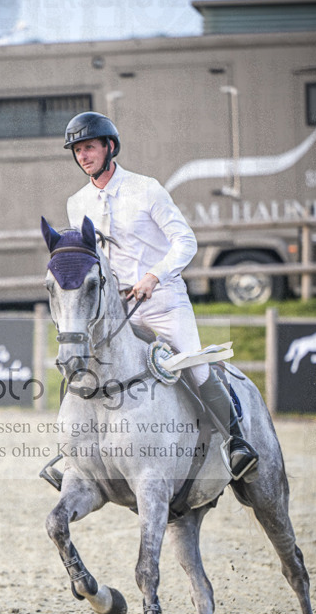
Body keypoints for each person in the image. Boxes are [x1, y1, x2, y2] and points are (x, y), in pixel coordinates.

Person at [63, 110, 258, 481]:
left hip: (163, 301)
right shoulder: (77, 204)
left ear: (109, 147)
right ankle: (75, 457)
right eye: (77, 150)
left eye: (89, 147)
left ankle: (237, 443)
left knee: (195, 367)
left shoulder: (146, 188)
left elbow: (186, 241)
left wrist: (154, 276)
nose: (83, 156)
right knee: (84, 369)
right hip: (116, 310)